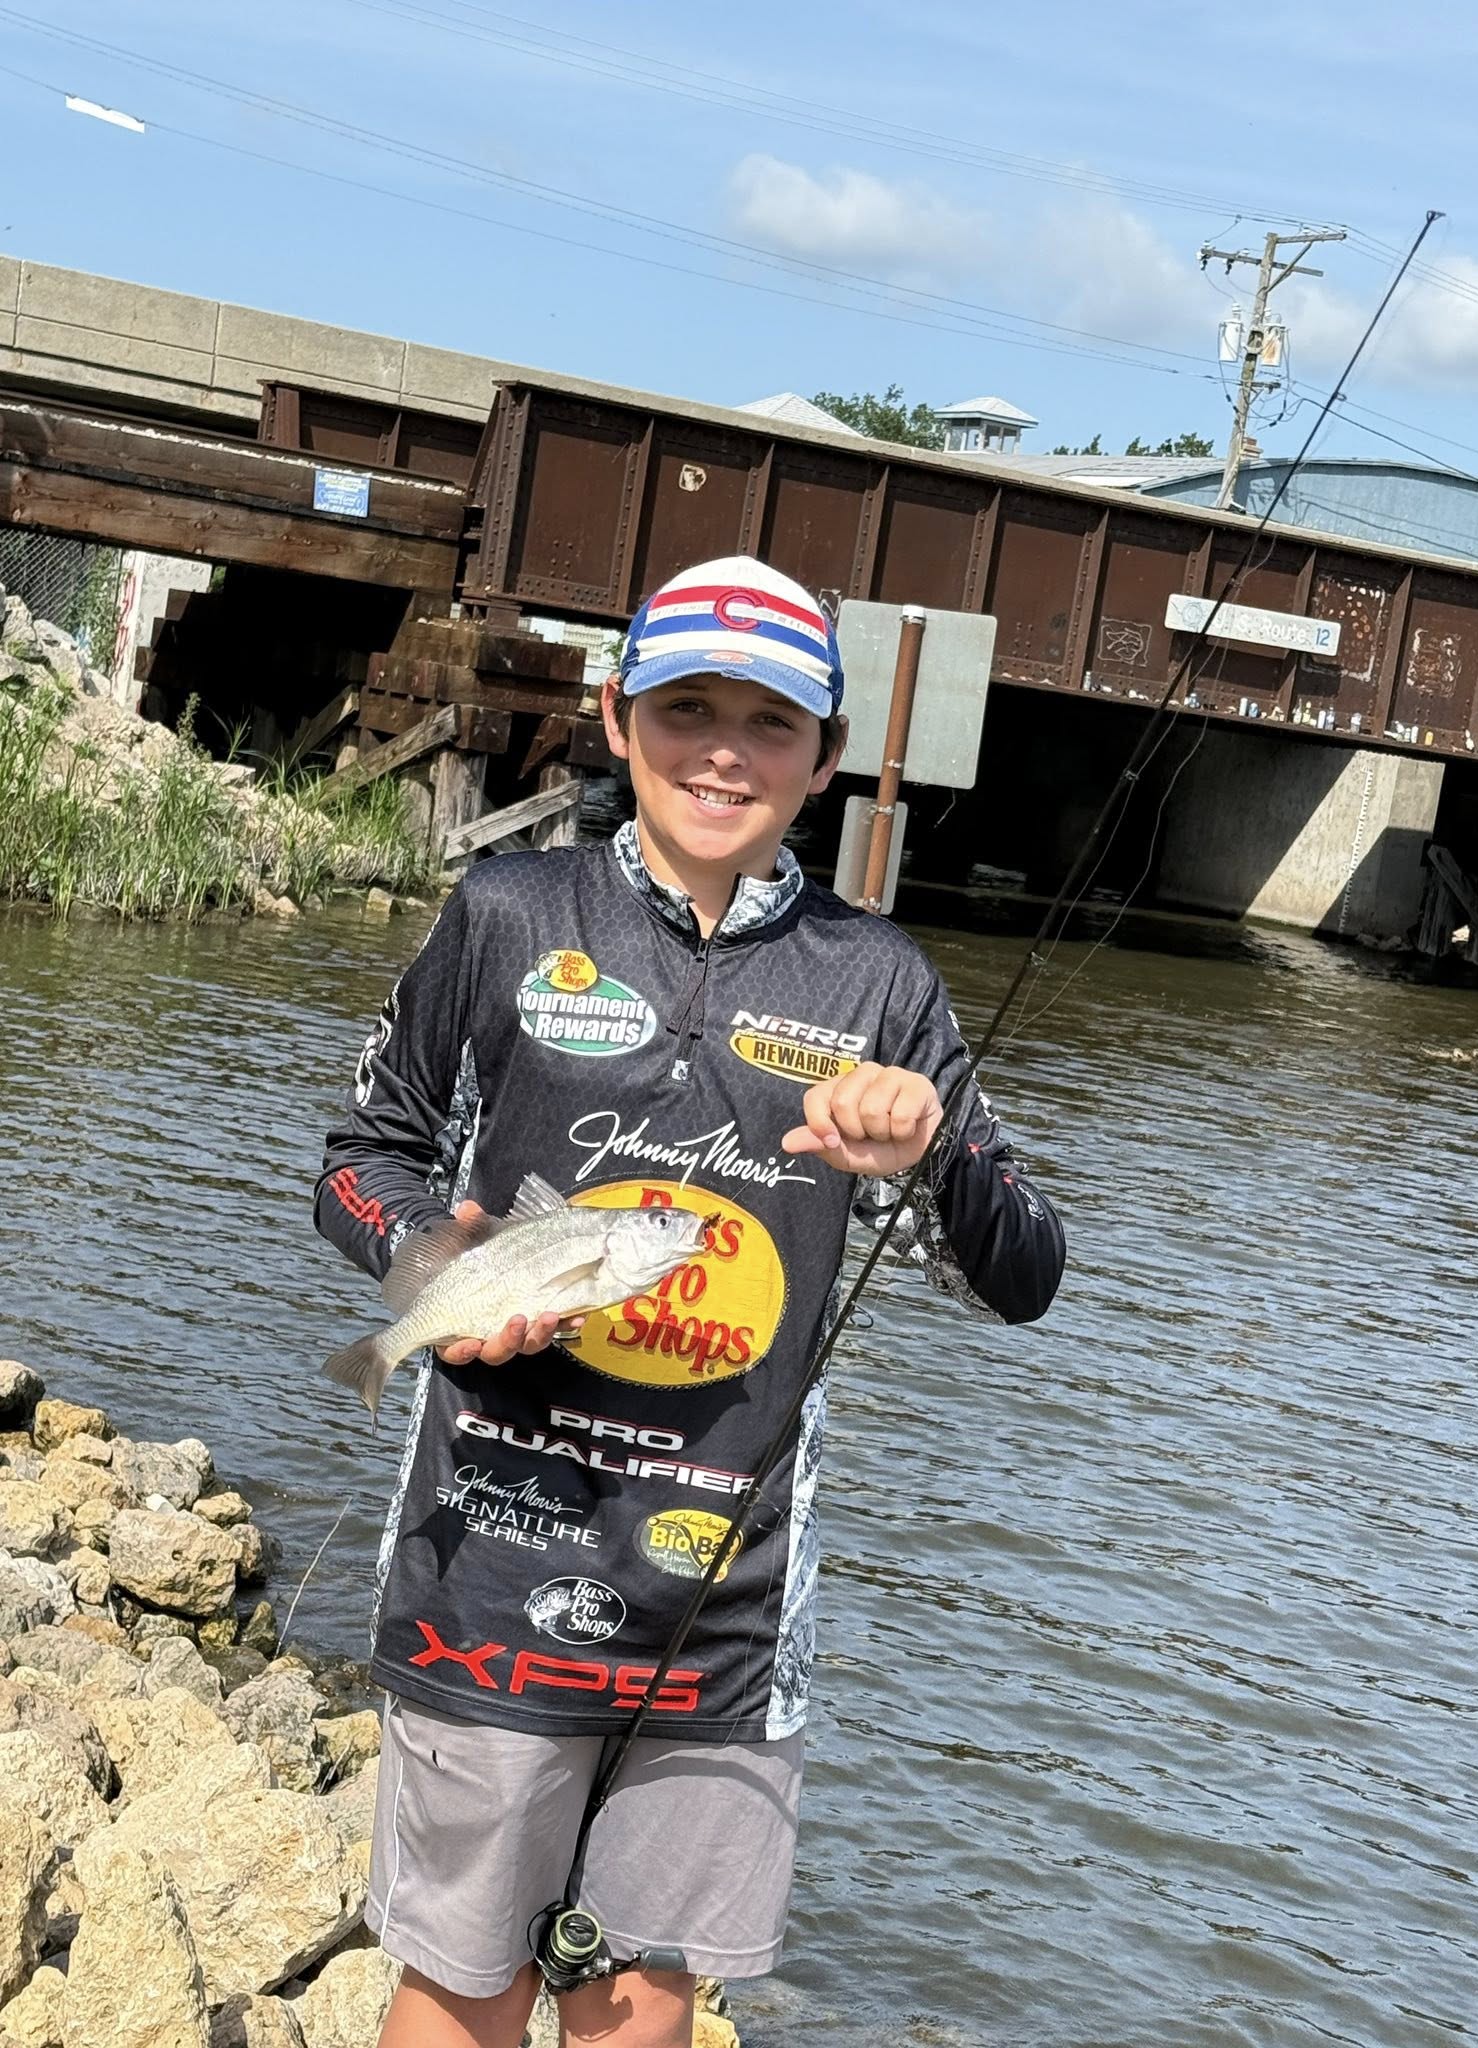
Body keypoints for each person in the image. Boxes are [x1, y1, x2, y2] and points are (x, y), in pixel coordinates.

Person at [314, 555, 1066, 2048]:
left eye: (770, 721)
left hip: (727, 1588)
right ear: (615, 716)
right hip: (488, 1558)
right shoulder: (510, 912)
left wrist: (928, 1160)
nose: (724, 748)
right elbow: (363, 1153)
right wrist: (428, 1271)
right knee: (463, 1975)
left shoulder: (883, 984)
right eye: (687, 708)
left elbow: (1025, 1268)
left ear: (827, 759)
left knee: (649, 1987)